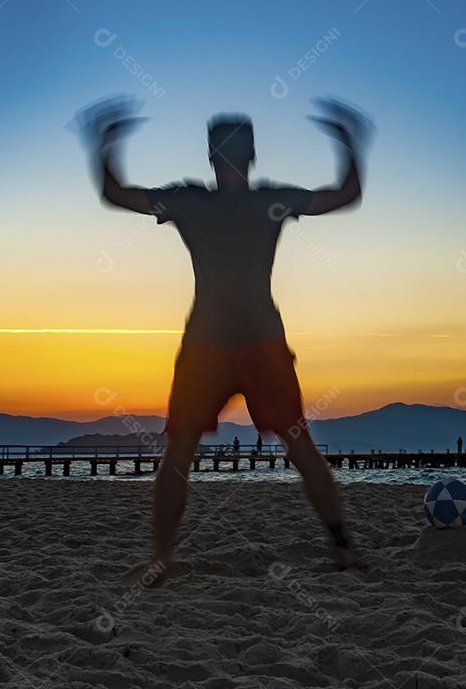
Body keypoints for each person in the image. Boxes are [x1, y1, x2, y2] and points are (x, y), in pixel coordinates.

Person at [77, 95, 371, 580]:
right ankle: (341, 549)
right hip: (242, 343)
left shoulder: (195, 201)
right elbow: (344, 195)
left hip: (223, 343)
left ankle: (163, 558)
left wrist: (104, 145)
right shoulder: (264, 201)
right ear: (248, 156)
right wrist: (351, 145)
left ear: (212, 157)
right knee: (290, 447)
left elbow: (115, 193)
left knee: (188, 454)